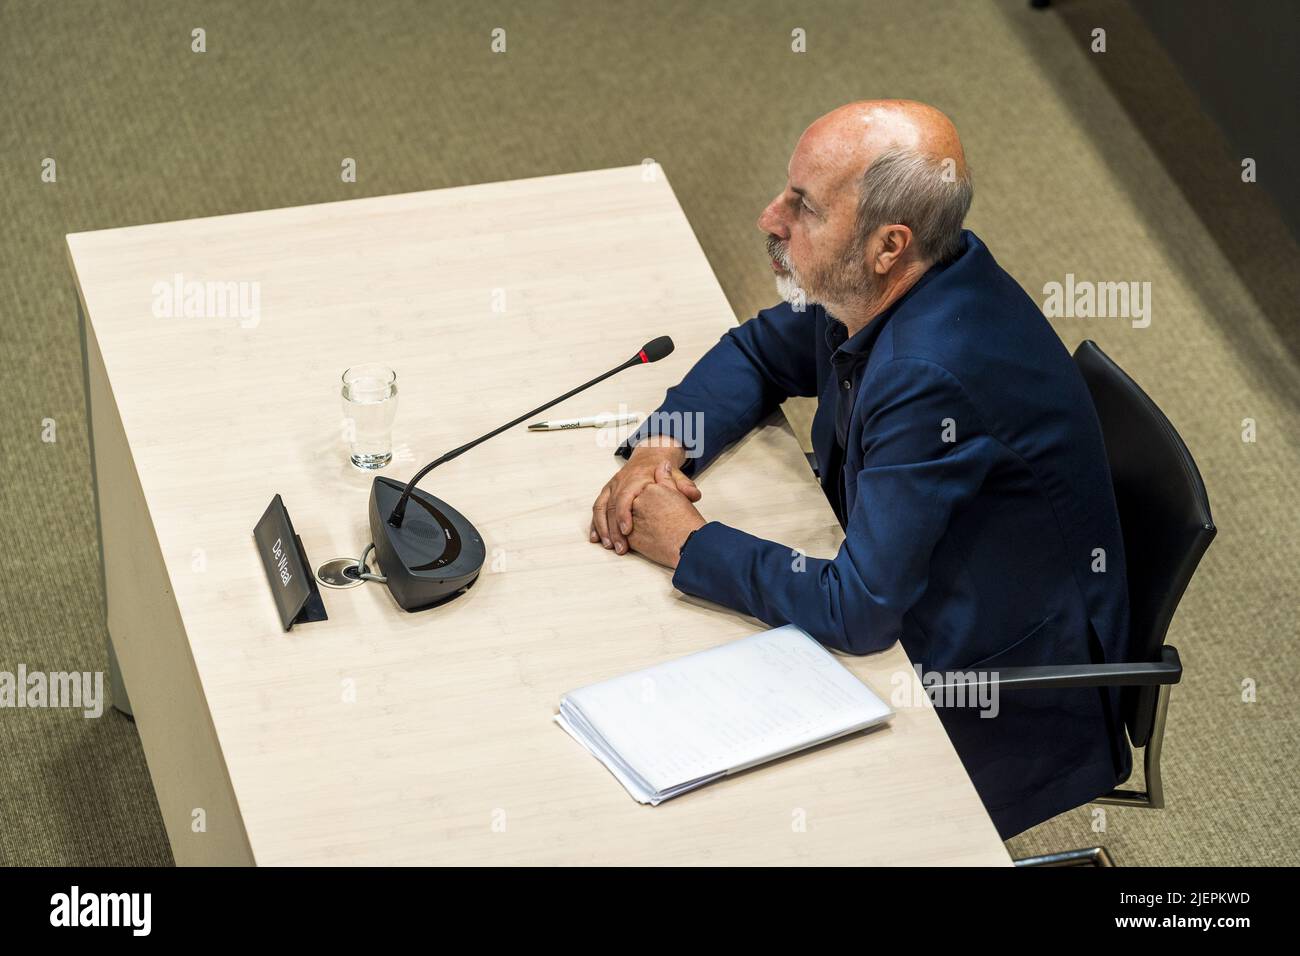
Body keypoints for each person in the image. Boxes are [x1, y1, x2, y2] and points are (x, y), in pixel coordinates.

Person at [588, 99, 1132, 839]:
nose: (768, 218)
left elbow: (860, 610)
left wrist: (688, 541)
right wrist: (663, 447)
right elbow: (757, 354)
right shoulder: (898, 280)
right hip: (921, 599)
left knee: (713, 819)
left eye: (802, 207)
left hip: (985, 693)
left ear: (888, 244)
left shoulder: (930, 372)